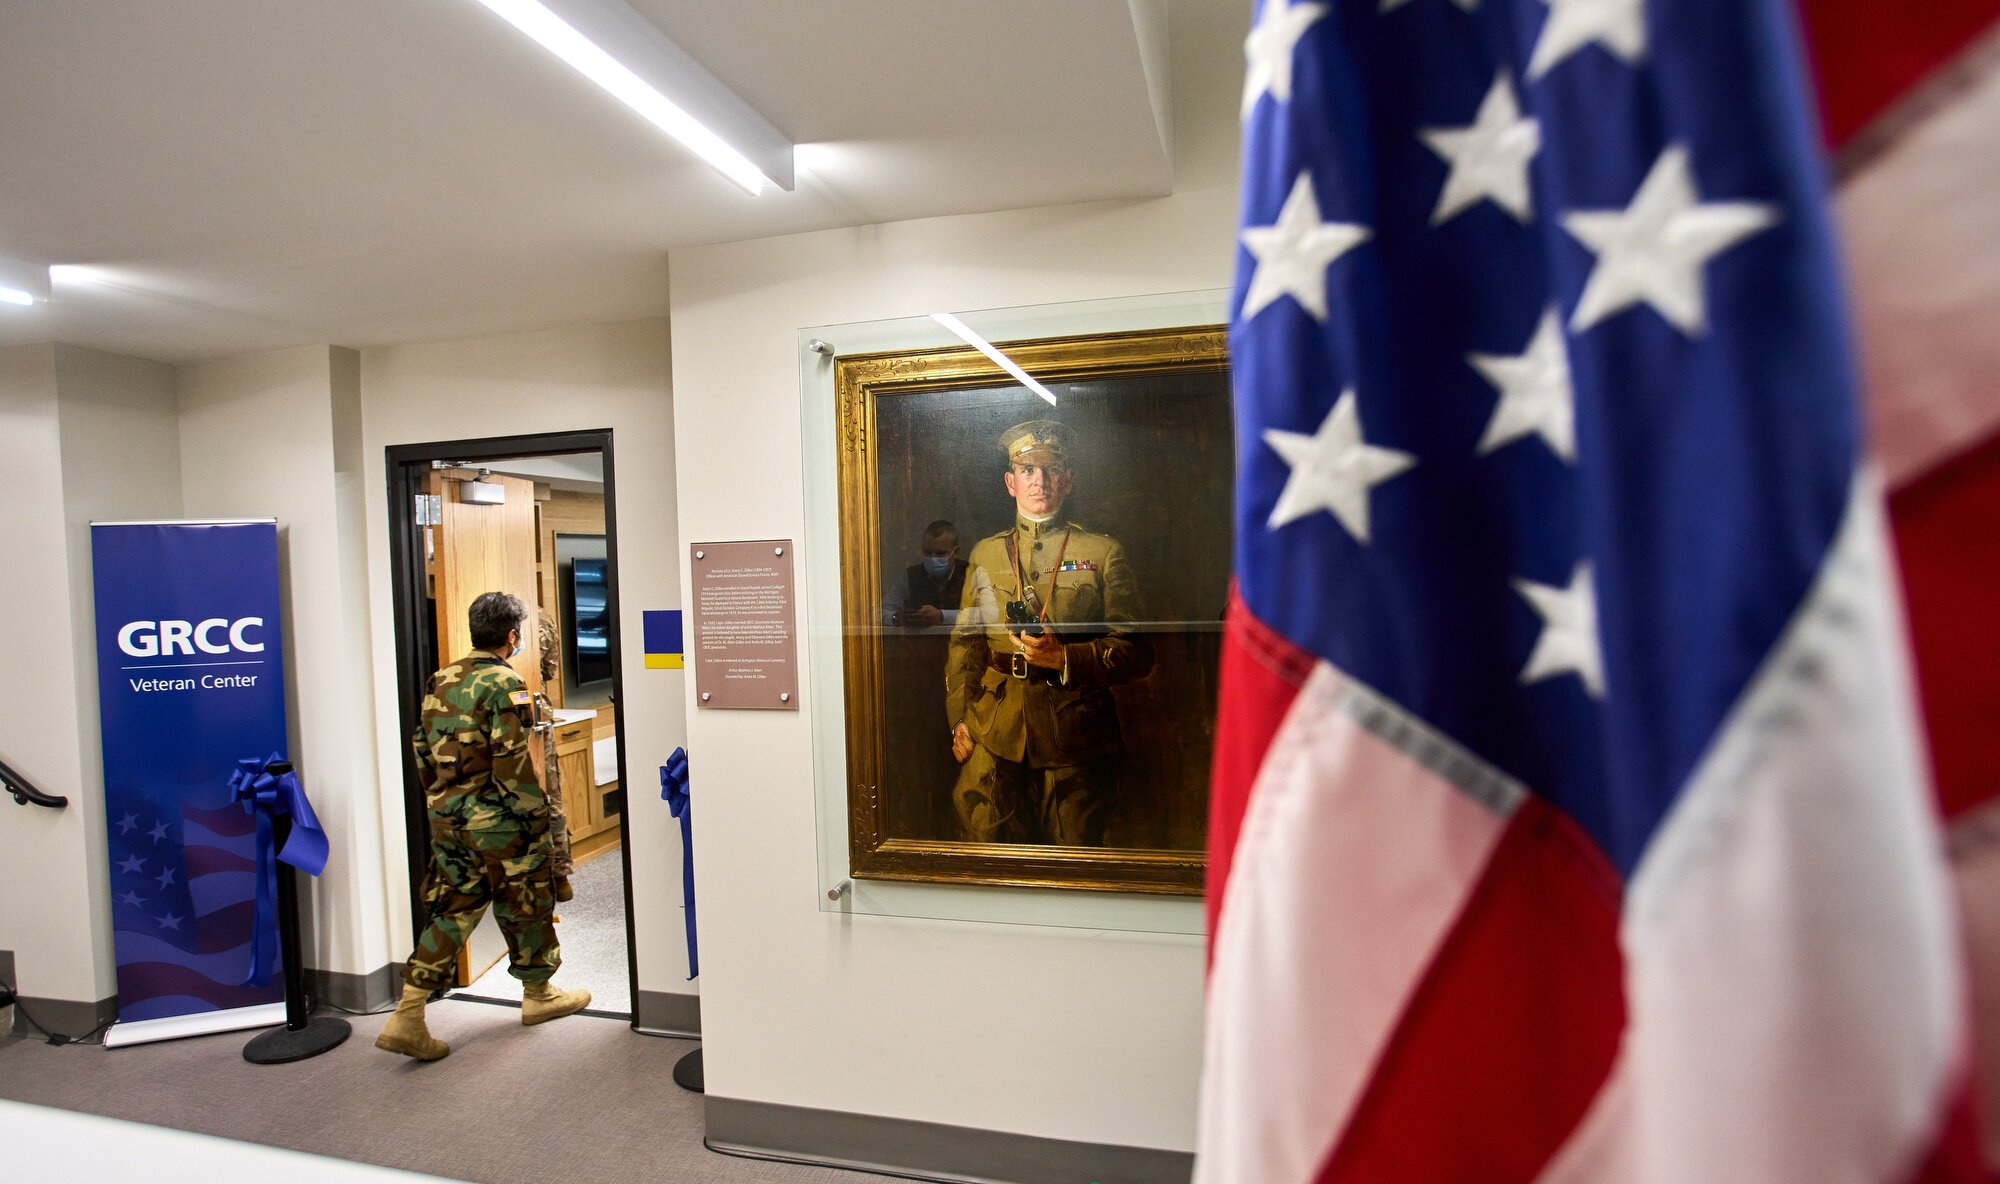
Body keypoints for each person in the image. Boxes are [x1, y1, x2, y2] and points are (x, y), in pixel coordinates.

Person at [376, 591, 590, 1062]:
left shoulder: (441, 679)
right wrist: (538, 819)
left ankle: (408, 1014)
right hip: (500, 821)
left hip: (448, 818)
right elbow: (510, 762)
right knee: (527, 903)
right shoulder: (505, 684)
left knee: (452, 907)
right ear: (512, 636)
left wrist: (443, 800)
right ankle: (539, 995)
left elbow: (420, 749)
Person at [945, 420, 1154, 846]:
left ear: (1068, 479)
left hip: (1075, 736)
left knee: (1075, 856)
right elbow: (965, 645)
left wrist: (1064, 659)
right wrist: (959, 720)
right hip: (993, 730)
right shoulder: (985, 552)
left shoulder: (1102, 552)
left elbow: (1136, 651)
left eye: (1051, 469)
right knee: (987, 848)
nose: (1040, 481)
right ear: (1010, 482)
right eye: (1027, 471)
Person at [535, 610, 574, 902]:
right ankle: (559, 873)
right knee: (550, 794)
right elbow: (549, 671)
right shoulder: (541, 617)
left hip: (509, 721)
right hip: (537, 716)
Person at [881, 520, 967, 628]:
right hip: (919, 643)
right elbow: (878, 613)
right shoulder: (909, 576)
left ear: (956, 552)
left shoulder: (970, 573)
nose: (933, 558)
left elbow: (989, 614)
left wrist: (942, 617)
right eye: (928, 553)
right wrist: (896, 617)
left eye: (940, 553)